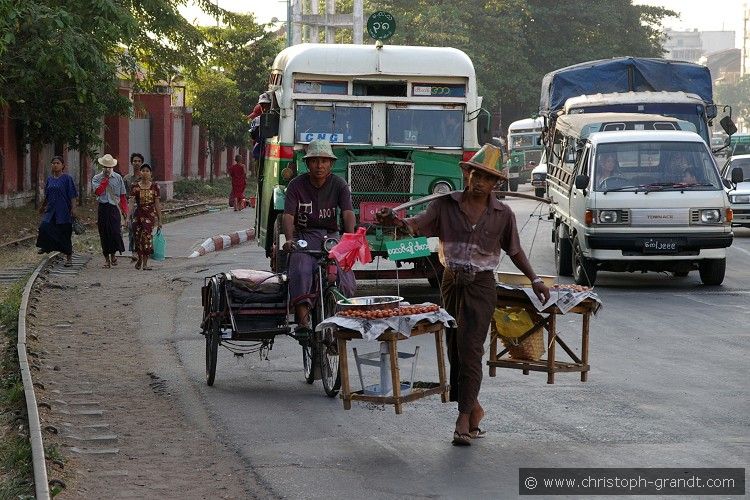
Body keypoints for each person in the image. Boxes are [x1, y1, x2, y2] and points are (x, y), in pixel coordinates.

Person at [376, 144, 551, 446]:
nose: (479, 181)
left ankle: (462, 417)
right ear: (467, 174)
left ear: (496, 183)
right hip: (450, 281)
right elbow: (415, 225)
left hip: (482, 286)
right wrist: (395, 222)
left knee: (471, 349)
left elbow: (515, 249)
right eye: (475, 174)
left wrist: (535, 279)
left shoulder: (502, 214)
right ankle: (475, 409)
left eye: (487, 177)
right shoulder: (445, 205)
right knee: (454, 346)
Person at [282, 139, 356, 331]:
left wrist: (350, 238)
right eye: (315, 161)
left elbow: (348, 213)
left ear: (331, 164)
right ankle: (303, 321)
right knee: (300, 270)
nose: (319, 165)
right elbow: (288, 215)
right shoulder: (295, 185)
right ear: (307, 163)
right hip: (305, 237)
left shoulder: (339, 184)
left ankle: (343, 318)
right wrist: (290, 239)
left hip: (332, 237)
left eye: (324, 161)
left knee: (346, 276)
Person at [36, 156, 78, 267]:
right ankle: (47, 246)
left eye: (57, 163)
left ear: (63, 165)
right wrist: (43, 206)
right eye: (53, 163)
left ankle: (69, 258)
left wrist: (73, 208)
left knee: (65, 234)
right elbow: (47, 195)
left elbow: (72, 195)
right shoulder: (49, 179)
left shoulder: (67, 179)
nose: (55, 165)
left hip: (64, 211)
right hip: (51, 210)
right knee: (44, 227)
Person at [91, 153, 128, 268]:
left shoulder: (117, 178)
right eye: (105, 166)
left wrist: (125, 211)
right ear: (102, 166)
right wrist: (104, 181)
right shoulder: (96, 178)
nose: (107, 169)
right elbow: (97, 192)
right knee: (104, 233)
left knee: (115, 232)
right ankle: (107, 259)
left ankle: (113, 255)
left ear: (112, 167)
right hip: (103, 207)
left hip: (114, 208)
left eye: (109, 167)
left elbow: (122, 196)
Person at [130, 163, 162, 270]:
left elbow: (157, 204)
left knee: (147, 238)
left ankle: (145, 263)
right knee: (138, 238)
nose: (145, 172)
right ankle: (139, 258)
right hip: (138, 215)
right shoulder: (135, 186)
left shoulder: (155, 186)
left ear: (150, 173)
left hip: (149, 216)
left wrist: (160, 220)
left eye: (147, 171)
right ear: (140, 172)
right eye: (143, 170)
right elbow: (131, 202)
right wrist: (126, 218)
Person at [126, 153, 145, 261]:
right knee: (131, 229)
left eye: (138, 161)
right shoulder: (127, 178)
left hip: (143, 207)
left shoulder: (145, 177)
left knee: (143, 229)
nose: (136, 163)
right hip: (131, 206)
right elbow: (123, 195)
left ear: (142, 163)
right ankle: (133, 251)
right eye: (134, 161)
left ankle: (142, 250)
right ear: (131, 163)